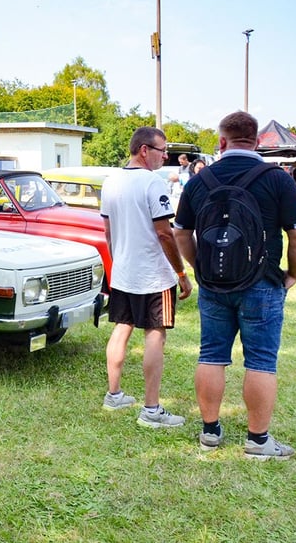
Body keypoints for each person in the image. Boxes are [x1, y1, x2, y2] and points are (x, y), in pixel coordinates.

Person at [174, 111, 296, 459]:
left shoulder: (199, 181)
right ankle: (258, 440)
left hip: (213, 284)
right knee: (262, 360)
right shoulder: (277, 179)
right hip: (263, 282)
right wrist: (292, 275)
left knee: (211, 355)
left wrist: (198, 266)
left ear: (222, 141)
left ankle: (209, 432)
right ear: (257, 141)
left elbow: (180, 233)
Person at [99, 126, 192, 428]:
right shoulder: (154, 183)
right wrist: (181, 272)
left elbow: (108, 231)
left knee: (122, 328)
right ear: (143, 150)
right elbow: (165, 233)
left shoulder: (110, 182)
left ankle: (114, 395)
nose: (166, 156)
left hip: (124, 271)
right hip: (154, 275)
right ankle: (151, 410)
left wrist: (119, 261)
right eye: (162, 150)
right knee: (156, 334)